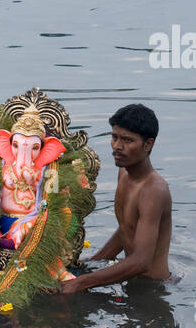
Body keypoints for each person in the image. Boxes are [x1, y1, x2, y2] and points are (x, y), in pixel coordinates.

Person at [60, 104, 172, 293]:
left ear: (148, 144)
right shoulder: (124, 173)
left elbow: (141, 262)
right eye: (114, 137)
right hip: (130, 278)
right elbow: (127, 228)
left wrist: (81, 282)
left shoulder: (154, 190)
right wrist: (91, 263)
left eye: (127, 140)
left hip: (152, 288)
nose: (117, 146)